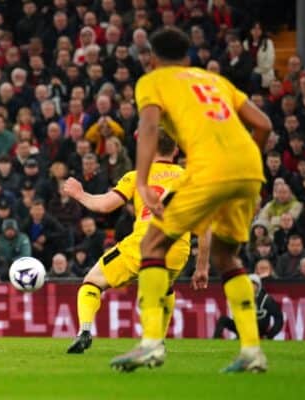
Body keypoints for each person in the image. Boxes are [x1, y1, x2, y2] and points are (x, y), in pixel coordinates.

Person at [110, 28, 272, 373]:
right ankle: (252, 351)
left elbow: (150, 129)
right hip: (249, 166)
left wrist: (140, 181)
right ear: (187, 58)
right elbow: (265, 124)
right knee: (227, 256)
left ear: (151, 58)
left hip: (208, 168)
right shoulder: (213, 80)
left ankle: (151, 344)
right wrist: (245, 161)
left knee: (152, 245)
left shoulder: (151, 82)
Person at [64, 131, 203, 354]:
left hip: (143, 245)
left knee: (93, 281)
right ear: (175, 151)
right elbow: (206, 225)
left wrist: (80, 194)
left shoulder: (138, 176)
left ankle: (85, 332)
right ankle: (158, 339)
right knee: (165, 288)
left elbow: (105, 206)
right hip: (178, 249)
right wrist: (202, 265)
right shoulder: (190, 178)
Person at [213, 274, 283, 340]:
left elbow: (279, 318)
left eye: (254, 284)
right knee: (223, 319)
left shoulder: (266, 299)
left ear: (259, 286)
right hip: (245, 328)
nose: (251, 286)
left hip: (259, 329)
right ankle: (215, 341)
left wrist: (270, 335)